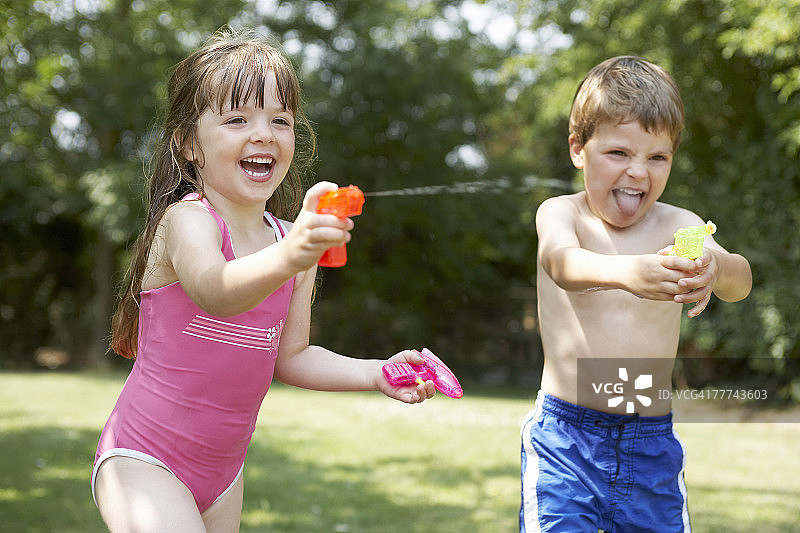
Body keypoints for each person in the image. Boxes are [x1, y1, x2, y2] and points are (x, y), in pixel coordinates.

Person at [91, 28, 436, 533]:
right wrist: (293, 253)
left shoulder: (290, 240)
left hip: (223, 474)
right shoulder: (189, 221)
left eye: (280, 120)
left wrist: (375, 372)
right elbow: (217, 288)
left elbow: (292, 356)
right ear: (187, 143)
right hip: (144, 457)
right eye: (237, 120)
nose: (264, 134)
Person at [520, 56, 752, 532]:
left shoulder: (679, 224)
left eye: (657, 157)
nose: (638, 173)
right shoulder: (563, 214)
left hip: (650, 439)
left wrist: (716, 268)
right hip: (566, 437)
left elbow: (742, 279)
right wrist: (628, 274)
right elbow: (561, 263)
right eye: (619, 154)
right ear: (577, 149)